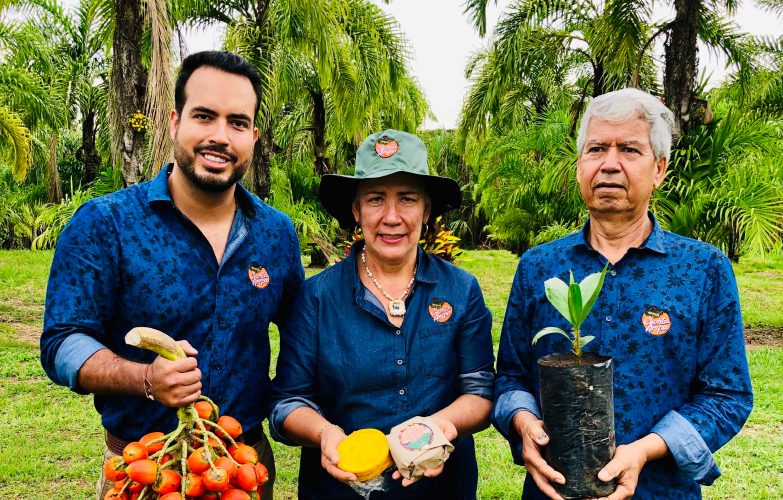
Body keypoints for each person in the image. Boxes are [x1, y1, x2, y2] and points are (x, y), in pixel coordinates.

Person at [39, 51, 304, 499]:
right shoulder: (106, 223)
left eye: (237, 122)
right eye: (204, 116)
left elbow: (303, 334)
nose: (220, 136)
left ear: (253, 135)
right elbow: (63, 341)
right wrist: (144, 379)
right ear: (174, 121)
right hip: (146, 471)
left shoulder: (275, 233)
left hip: (242, 470)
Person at [493, 88, 753, 499]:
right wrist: (523, 422)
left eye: (629, 150)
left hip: (661, 489)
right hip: (557, 490)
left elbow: (728, 395)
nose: (609, 164)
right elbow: (510, 378)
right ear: (580, 165)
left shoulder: (703, 269)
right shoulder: (540, 267)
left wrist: (645, 451)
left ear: (659, 169)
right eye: (596, 148)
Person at [268, 129, 495, 498]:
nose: (392, 217)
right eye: (375, 199)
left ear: (427, 209)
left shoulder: (460, 289)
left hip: (442, 488)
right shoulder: (317, 297)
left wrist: (434, 429)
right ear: (356, 210)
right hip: (338, 488)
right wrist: (326, 434)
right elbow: (287, 402)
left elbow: (481, 392)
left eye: (407, 199)